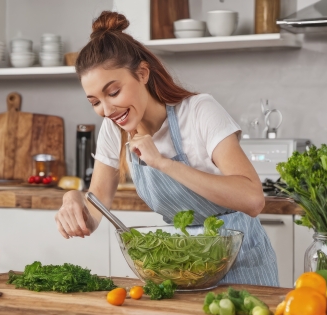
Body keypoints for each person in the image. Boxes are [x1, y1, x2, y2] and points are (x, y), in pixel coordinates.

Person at [54, 11, 278, 286]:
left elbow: (253, 199)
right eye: (95, 102)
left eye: (113, 93)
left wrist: (164, 163)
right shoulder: (115, 131)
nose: (107, 110)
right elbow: (93, 214)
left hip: (241, 264)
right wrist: (73, 200)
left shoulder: (198, 112)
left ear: (143, 73)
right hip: (181, 268)